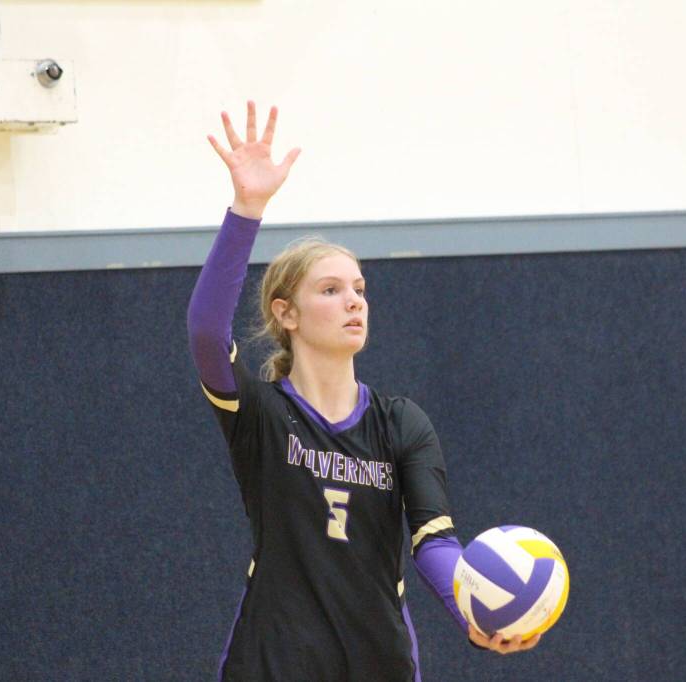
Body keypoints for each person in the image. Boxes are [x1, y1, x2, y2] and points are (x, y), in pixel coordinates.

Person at [187, 101, 541, 681]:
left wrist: (473, 610)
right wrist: (247, 210)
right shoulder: (261, 414)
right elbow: (207, 332)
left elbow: (434, 541)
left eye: (359, 288)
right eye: (330, 290)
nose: (354, 300)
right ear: (286, 313)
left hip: (379, 662)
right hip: (273, 661)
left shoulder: (401, 423)